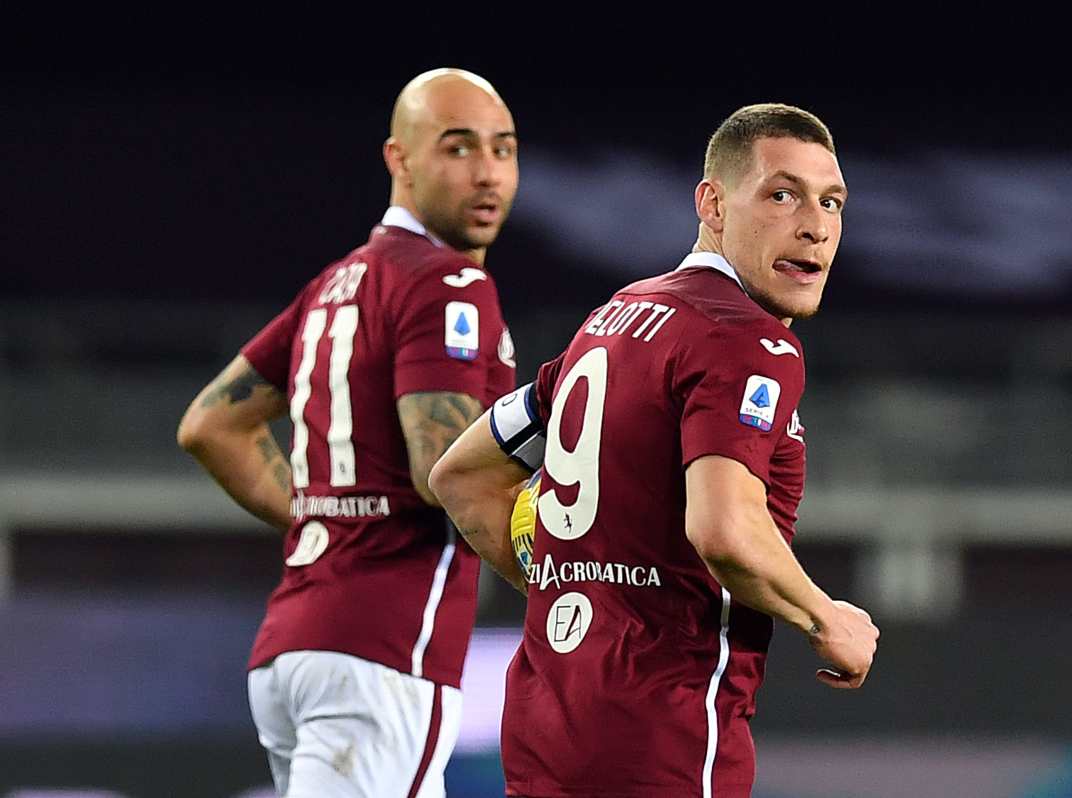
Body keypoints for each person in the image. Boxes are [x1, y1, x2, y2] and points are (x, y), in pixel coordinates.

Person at [429, 103, 879, 798]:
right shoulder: (749, 341)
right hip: (661, 736)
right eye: (781, 195)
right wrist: (827, 617)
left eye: (831, 202)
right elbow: (723, 529)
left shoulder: (613, 321)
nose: (815, 226)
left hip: (547, 727)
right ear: (712, 203)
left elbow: (460, 476)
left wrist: (564, 584)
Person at [176, 68, 519, 798]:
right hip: (382, 650)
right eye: (459, 149)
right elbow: (443, 471)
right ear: (399, 159)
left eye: (504, 148)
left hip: (297, 648)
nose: (488, 172)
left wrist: (323, 513)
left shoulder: (340, 281)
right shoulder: (450, 283)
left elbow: (212, 423)